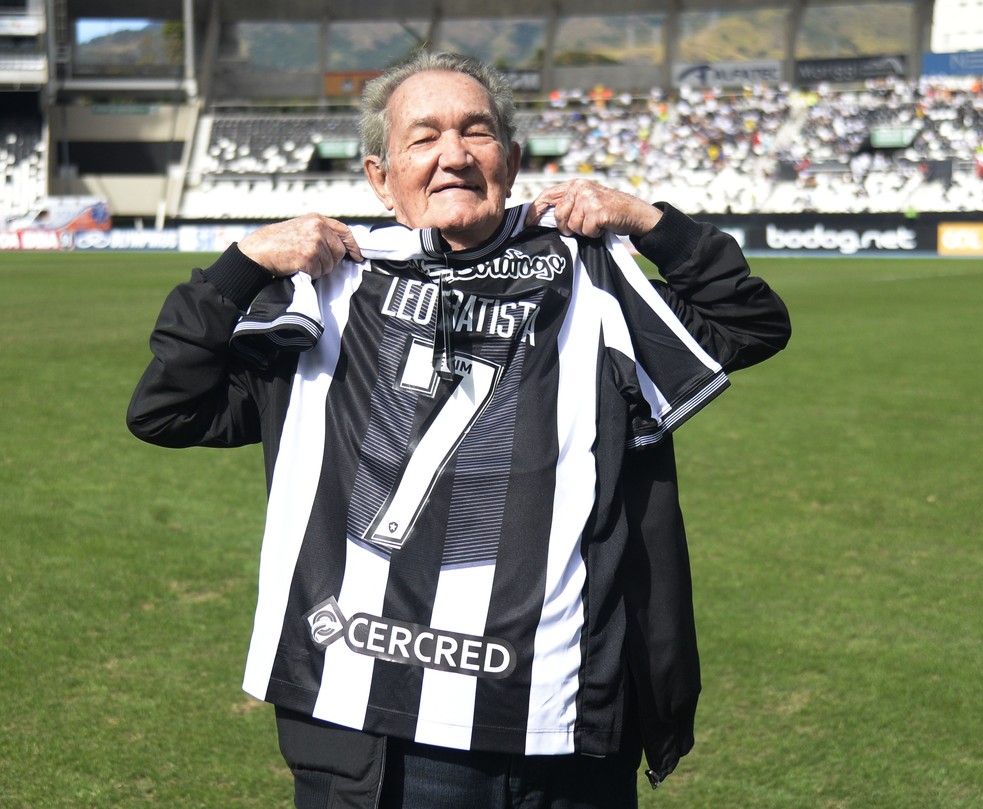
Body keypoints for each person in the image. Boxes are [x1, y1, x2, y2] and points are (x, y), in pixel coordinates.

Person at [127, 51, 790, 809]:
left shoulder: (592, 278)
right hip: (380, 742)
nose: (453, 155)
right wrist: (239, 268)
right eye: (425, 136)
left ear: (509, 160)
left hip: (563, 732)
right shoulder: (322, 298)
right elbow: (166, 408)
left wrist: (645, 221)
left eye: (477, 133)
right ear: (381, 177)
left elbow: (752, 321)